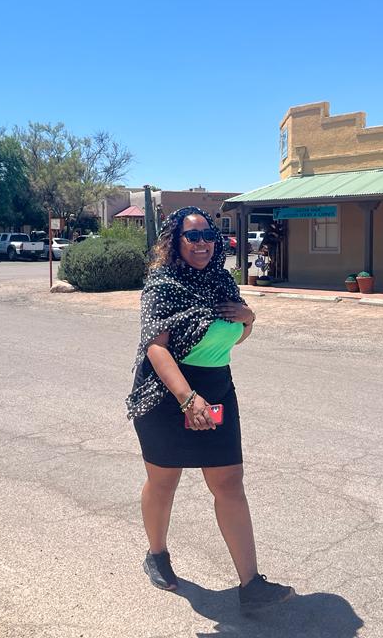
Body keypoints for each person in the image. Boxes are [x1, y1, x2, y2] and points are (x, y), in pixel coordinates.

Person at [126, 206, 295, 615]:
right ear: (175, 241)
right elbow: (156, 347)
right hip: (168, 394)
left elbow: (230, 338)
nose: (201, 244)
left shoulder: (221, 280)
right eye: (192, 236)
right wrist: (187, 397)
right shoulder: (162, 284)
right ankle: (157, 553)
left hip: (217, 389)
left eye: (207, 237)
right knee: (164, 482)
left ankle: (251, 584)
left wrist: (250, 319)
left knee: (229, 484)